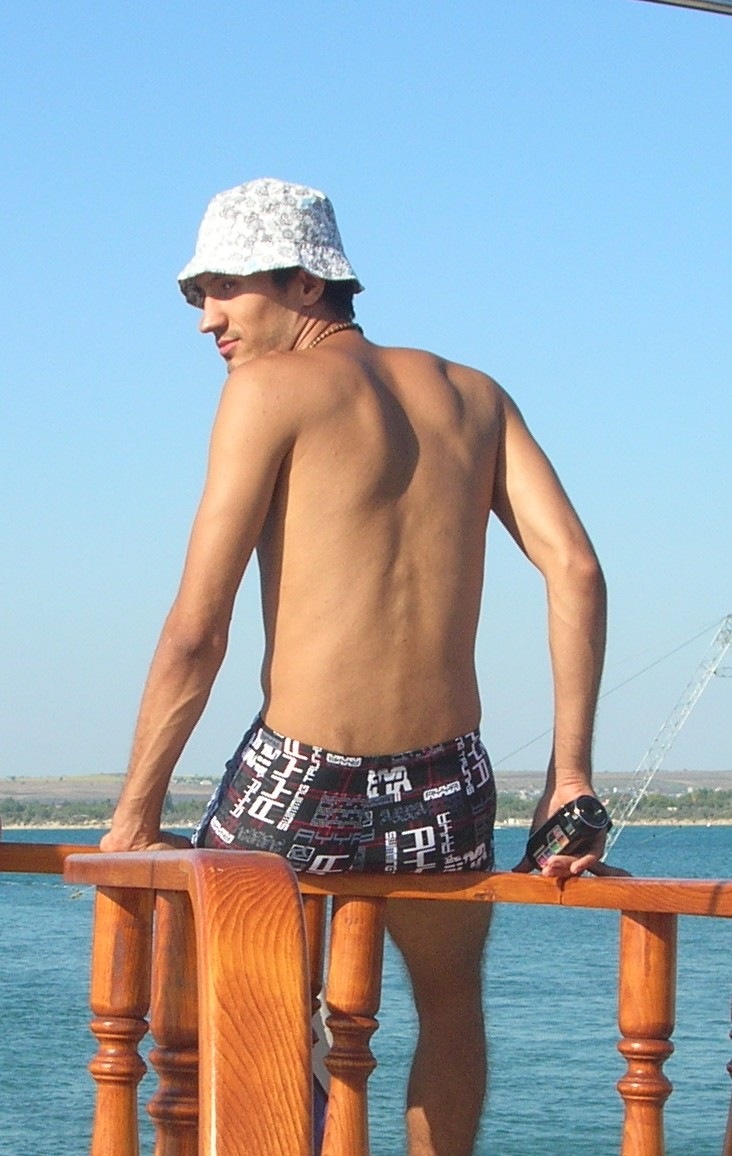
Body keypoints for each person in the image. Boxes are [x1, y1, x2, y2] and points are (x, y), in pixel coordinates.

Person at [102, 177, 615, 1156]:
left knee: (231, 1005)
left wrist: (134, 814)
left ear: (306, 283)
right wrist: (570, 777)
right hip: (446, 779)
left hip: (301, 775)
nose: (208, 319)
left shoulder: (268, 390)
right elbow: (577, 570)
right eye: (197, 296)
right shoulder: (474, 394)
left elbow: (196, 630)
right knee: (451, 1010)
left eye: (226, 289)